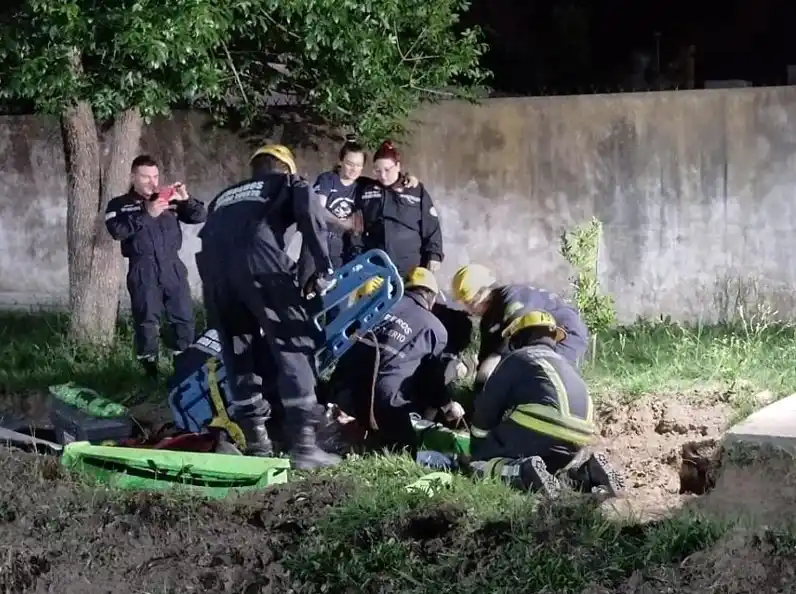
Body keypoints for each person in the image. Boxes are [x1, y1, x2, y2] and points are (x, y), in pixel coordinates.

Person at [196, 143, 339, 469]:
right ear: (285, 167)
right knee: (293, 343)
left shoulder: (224, 197)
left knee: (238, 351)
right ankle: (304, 447)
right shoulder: (286, 182)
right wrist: (321, 266)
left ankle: (258, 444)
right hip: (258, 260)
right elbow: (310, 211)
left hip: (215, 275)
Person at [468, 310, 623, 497]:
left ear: (519, 337)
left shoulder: (518, 358)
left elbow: (488, 406)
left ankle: (521, 473)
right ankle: (587, 473)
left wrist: (478, 446)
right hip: (580, 436)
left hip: (543, 426)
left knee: (480, 464)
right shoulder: (564, 363)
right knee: (552, 472)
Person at [328, 267, 465, 455]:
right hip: (386, 407)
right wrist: (446, 404)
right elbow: (432, 380)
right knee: (406, 449)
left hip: (343, 395)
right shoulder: (435, 329)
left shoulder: (377, 308)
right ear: (432, 297)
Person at [105, 154, 206, 378]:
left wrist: (185, 199)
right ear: (133, 177)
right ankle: (149, 375)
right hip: (143, 269)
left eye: (155, 176)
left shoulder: (167, 198)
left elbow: (200, 216)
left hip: (172, 267)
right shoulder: (119, 204)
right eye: (145, 177)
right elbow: (117, 231)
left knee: (184, 319)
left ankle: (184, 374)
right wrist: (147, 214)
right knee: (147, 322)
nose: (152, 182)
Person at [450, 263, 589, 386]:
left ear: (482, 295)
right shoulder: (488, 320)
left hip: (563, 335)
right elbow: (486, 360)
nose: (467, 310)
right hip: (539, 340)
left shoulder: (513, 301)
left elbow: (498, 358)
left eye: (468, 303)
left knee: (543, 379)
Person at [353, 140, 444, 279]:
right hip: (376, 266)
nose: (382, 175)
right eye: (377, 171)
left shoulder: (415, 189)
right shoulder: (366, 189)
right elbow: (357, 227)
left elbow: (431, 226)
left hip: (411, 266)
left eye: (387, 170)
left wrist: (434, 255)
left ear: (398, 166)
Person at [312, 135, 367, 269]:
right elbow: (317, 208)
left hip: (346, 246)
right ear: (341, 161)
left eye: (359, 165)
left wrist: (407, 178)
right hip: (321, 242)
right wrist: (341, 222)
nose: (354, 169)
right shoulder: (327, 179)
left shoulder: (364, 184)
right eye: (350, 164)